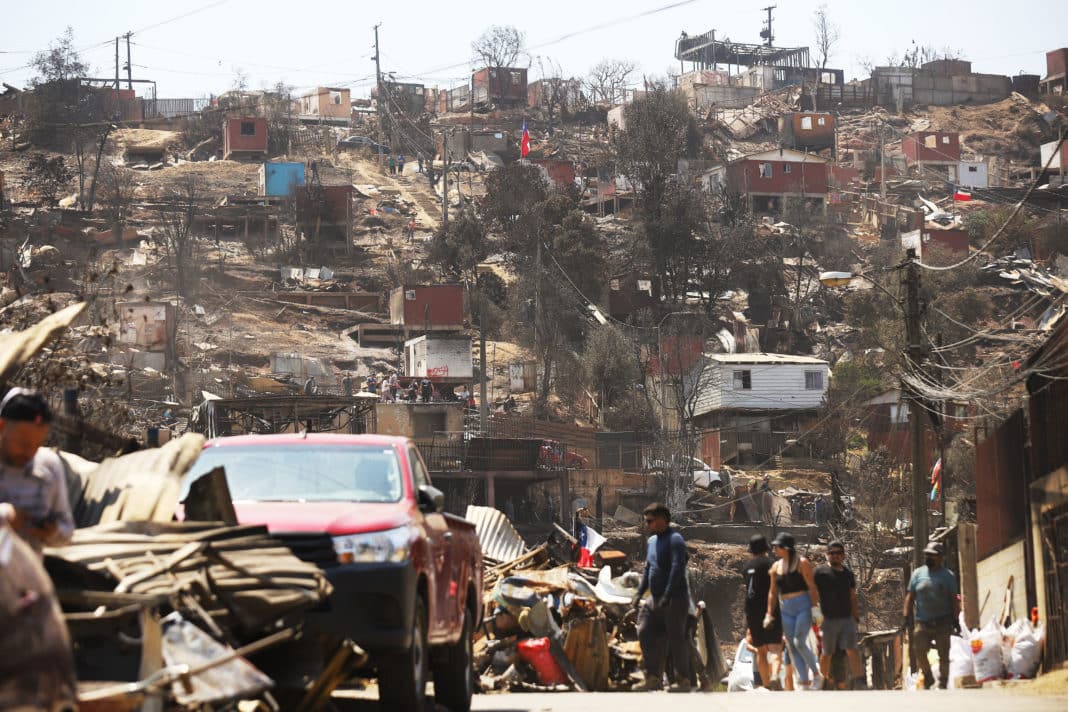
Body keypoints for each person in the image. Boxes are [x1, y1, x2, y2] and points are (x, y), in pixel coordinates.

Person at [0, 389, 75, 554]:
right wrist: (6, 516)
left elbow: (67, 531)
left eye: (36, 445)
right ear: (2, 426)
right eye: (23, 444)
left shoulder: (49, 466)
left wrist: (52, 532)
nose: (30, 453)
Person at [632, 502, 692, 692]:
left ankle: (683, 680)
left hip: (674, 598)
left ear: (662, 520)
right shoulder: (651, 542)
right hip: (654, 598)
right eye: (646, 521)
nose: (648, 525)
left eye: (650, 521)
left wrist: (667, 594)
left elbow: (677, 568)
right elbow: (648, 570)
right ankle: (653, 677)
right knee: (643, 630)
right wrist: (639, 593)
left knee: (675, 638)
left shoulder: (675, 540)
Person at [766, 532, 822, 689]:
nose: (775, 549)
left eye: (778, 546)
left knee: (799, 641)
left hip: (802, 603)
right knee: (791, 645)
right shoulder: (776, 567)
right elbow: (772, 592)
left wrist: (815, 608)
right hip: (786, 607)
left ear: (786, 548)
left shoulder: (801, 563)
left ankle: (816, 673)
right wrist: (769, 613)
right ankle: (804, 681)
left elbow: (811, 586)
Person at [903, 541, 960, 690]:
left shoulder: (948, 576)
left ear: (941, 558)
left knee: (943, 654)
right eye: (927, 555)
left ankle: (943, 681)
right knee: (919, 650)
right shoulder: (917, 574)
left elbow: (954, 599)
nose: (928, 558)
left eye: (932, 555)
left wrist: (956, 619)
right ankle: (928, 677)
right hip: (923, 622)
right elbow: (910, 596)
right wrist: (905, 616)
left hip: (943, 622)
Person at [815, 541, 867, 690]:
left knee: (852, 650)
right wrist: (814, 612)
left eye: (838, 553)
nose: (835, 556)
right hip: (828, 620)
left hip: (846, 619)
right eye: (832, 553)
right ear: (827, 555)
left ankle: (859, 681)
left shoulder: (848, 574)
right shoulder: (820, 573)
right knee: (827, 653)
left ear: (843, 556)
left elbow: (852, 596)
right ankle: (823, 681)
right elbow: (812, 592)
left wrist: (855, 615)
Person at [743, 534, 784, 690]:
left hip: (751, 612)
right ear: (766, 548)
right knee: (774, 648)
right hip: (769, 610)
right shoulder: (772, 564)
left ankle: (767, 686)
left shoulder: (746, 568)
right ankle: (774, 676)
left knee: (760, 651)